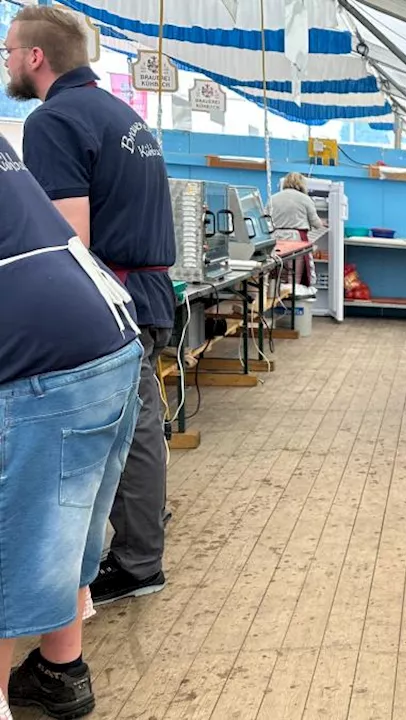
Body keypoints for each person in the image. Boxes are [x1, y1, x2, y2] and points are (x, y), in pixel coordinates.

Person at [6, 5, 175, 606]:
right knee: (140, 426)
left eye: (8, 51)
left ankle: (131, 562)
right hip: (147, 294)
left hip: (106, 298)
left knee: (109, 439)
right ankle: (142, 545)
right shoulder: (120, 114)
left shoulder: (56, 120)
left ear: (35, 57)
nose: (6, 62)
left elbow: (67, 235)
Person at [0, 131, 142, 719]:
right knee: (65, 525)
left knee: (20, 541)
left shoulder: (59, 121)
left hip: (38, 350)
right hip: (106, 333)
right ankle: (62, 675)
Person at [268, 171, 326, 287]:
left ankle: (278, 297)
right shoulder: (305, 199)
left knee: (276, 273)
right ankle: (293, 298)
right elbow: (316, 223)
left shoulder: (273, 198)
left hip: (276, 239)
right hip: (296, 240)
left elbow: (265, 220)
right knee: (294, 275)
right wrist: (324, 223)